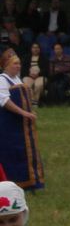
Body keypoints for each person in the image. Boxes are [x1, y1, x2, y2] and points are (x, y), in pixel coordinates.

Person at [0, 51, 44, 191]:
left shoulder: (18, 80)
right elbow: (4, 101)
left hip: (22, 124)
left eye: (19, 63)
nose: (19, 66)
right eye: (15, 63)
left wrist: (29, 111)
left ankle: (31, 182)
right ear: (6, 65)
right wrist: (23, 113)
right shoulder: (2, 80)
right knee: (12, 152)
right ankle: (14, 184)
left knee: (25, 151)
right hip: (8, 123)